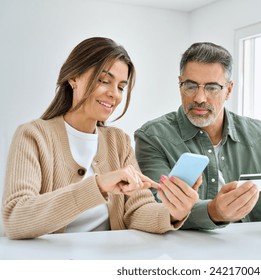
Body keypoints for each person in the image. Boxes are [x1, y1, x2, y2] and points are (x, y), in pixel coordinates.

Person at [1, 37, 199, 240]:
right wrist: (98, 185)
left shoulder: (118, 141)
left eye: (121, 87)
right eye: (104, 81)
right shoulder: (33, 135)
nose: (114, 94)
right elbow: (16, 218)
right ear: (73, 78)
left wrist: (173, 213)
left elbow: (137, 210)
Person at [134, 42, 261, 231]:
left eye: (212, 87)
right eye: (191, 86)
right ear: (180, 85)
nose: (200, 98)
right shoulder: (152, 137)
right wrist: (213, 211)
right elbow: (155, 209)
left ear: (228, 90)